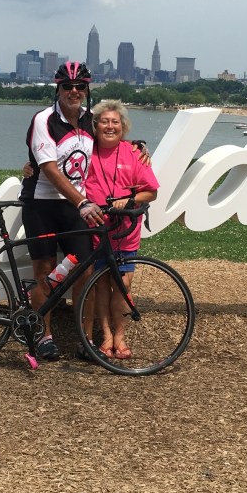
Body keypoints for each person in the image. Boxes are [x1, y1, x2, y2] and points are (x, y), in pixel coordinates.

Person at [20, 61, 102, 360]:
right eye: (68, 86)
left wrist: (137, 147)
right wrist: (82, 202)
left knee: (85, 271)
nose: (74, 91)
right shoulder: (44, 120)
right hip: (41, 204)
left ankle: (85, 339)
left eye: (80, 86)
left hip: (74, 206)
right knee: (45, 271)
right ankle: (44, 336)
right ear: (58, 89)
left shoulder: (90, 120)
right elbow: (50, 169)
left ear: (87, 90)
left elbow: (111, 142)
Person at [82, 100, 159, 360]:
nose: (110, 126)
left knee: (123, 285)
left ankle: (120, 336)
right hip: (96, 230)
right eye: (104, 121)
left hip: (125, 232)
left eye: (115, 122)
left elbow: (151, 192)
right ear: (95, 125)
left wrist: (130, 199)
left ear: (123, 127)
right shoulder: (87, 151)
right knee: (101, 285)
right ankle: (106, 335)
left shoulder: (134, 153)